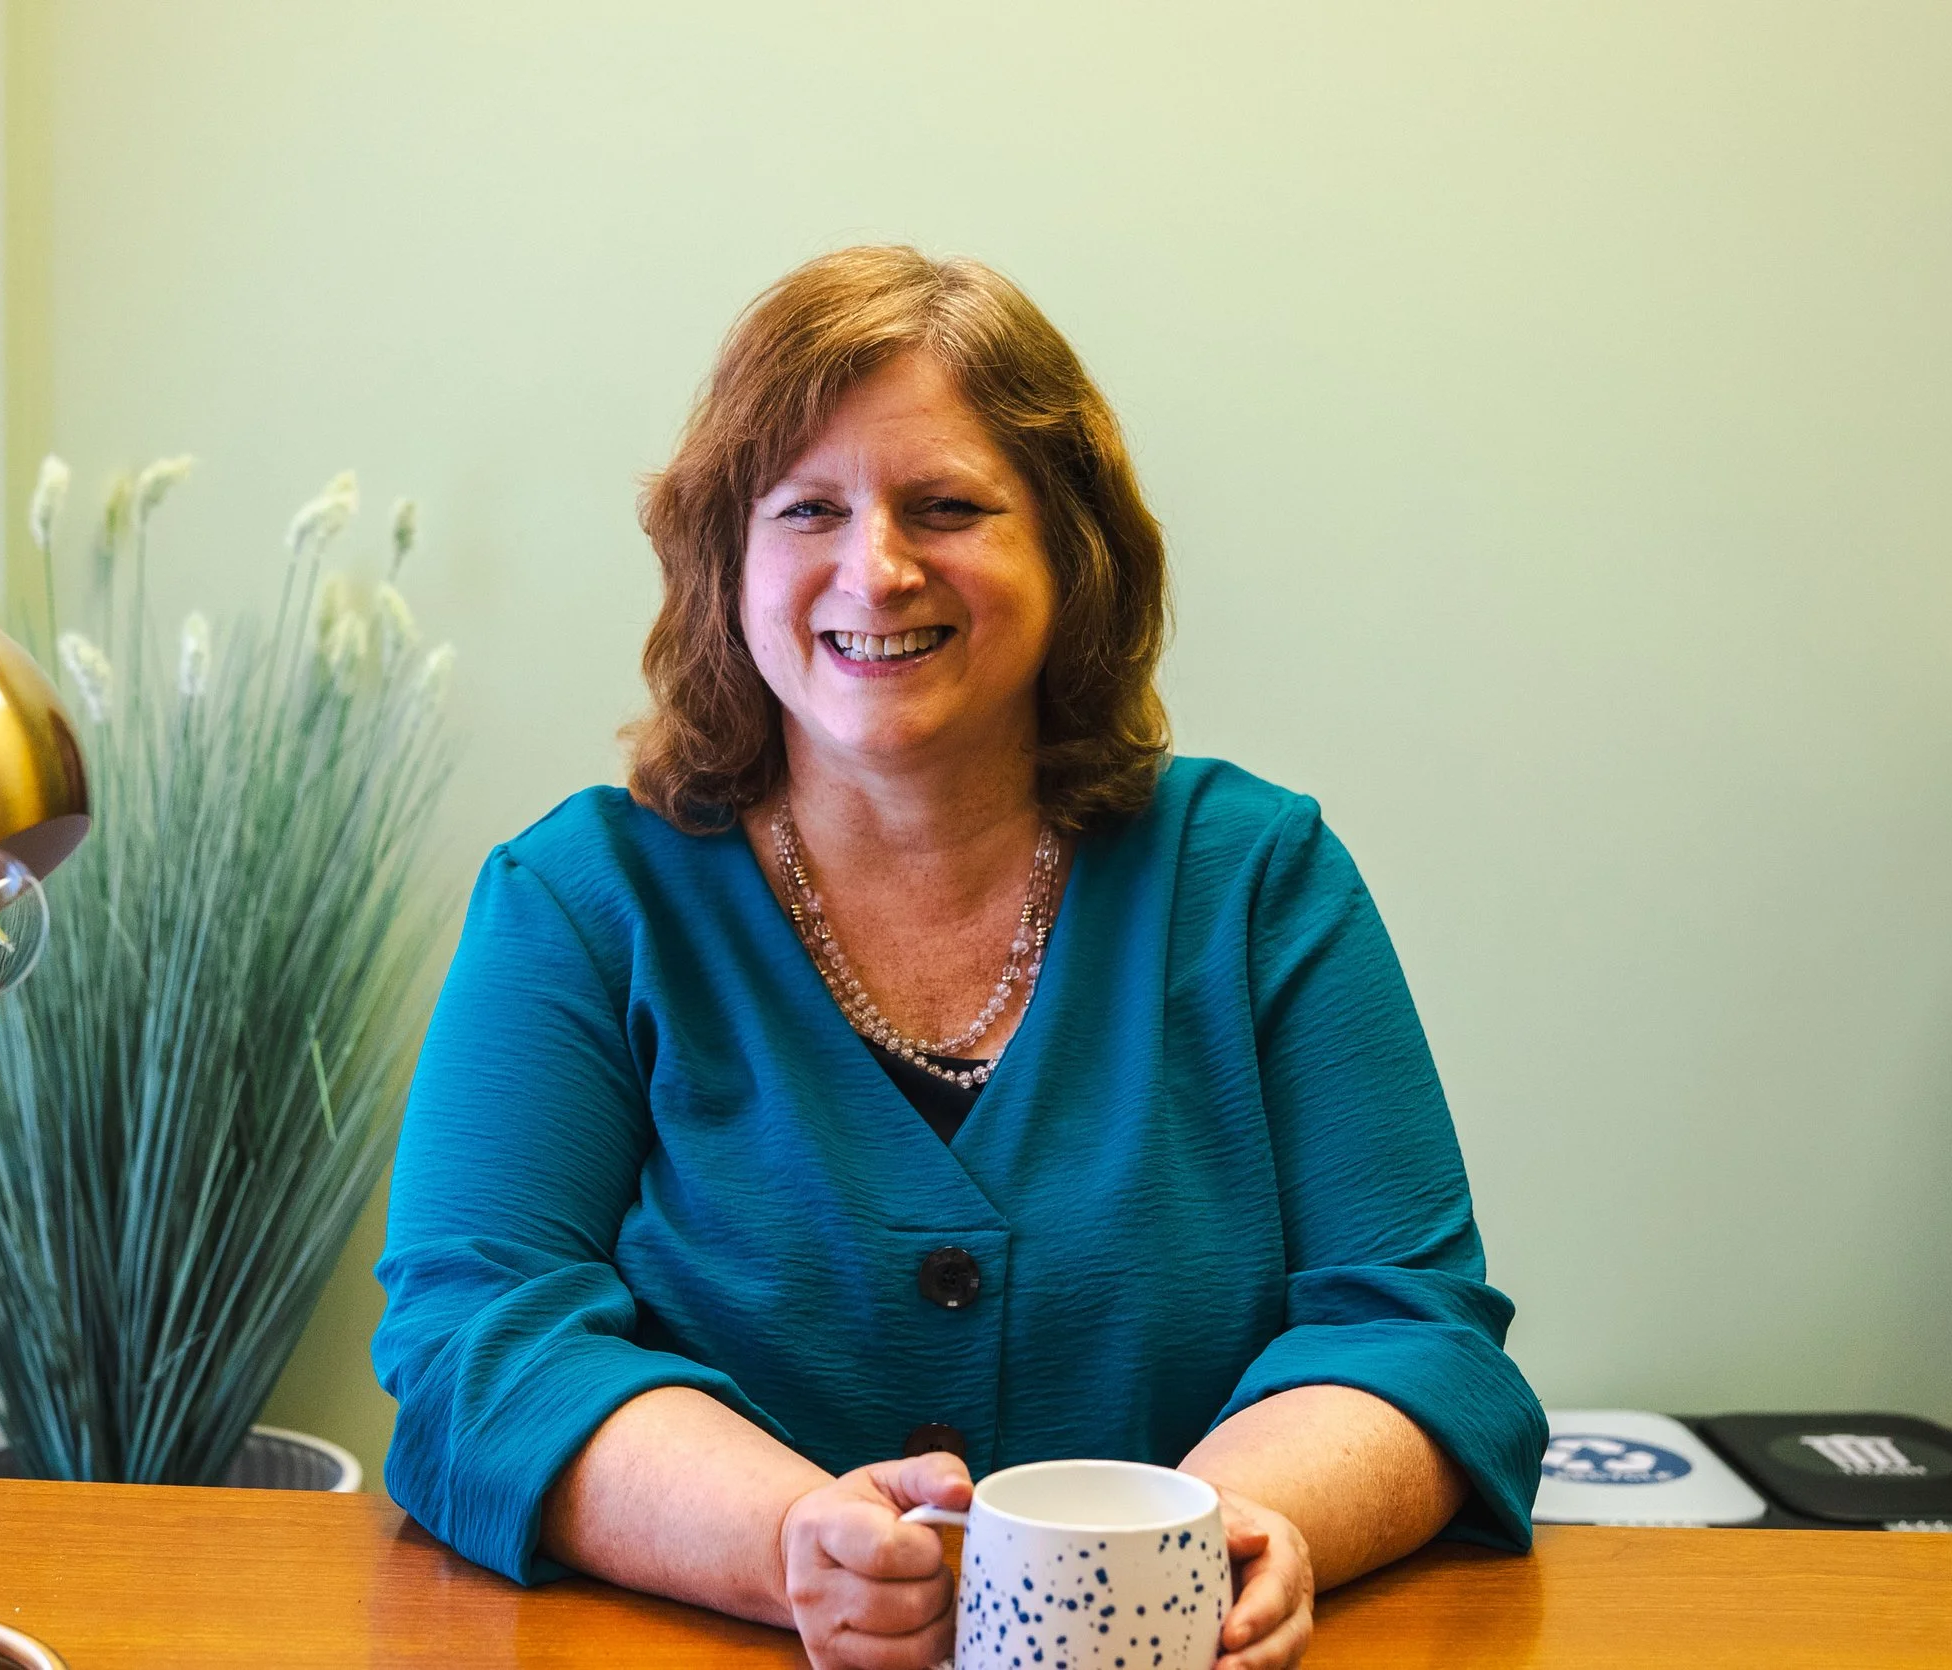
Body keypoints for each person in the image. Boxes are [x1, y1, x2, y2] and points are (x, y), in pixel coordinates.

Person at [373, 245, 1544, 1670]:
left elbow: (1415, 1333)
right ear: (729, 564)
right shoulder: (577, 902)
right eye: (808, 510)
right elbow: (472, 1351)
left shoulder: (1259, 882)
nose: (877, 569)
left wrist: (1223, 1538)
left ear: (1071, 552)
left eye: (947, 507)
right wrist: (791, 1542)